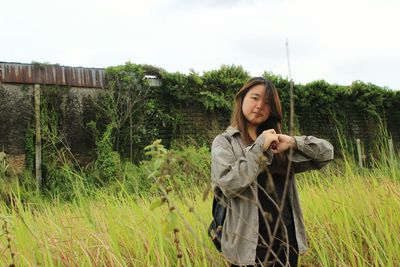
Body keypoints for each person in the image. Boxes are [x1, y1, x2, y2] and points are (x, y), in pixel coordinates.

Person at [211, 77, 334, 266]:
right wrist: (259, 146)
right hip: (249, 250)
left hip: (287, 244)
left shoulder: (278, 144)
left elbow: (326, 154)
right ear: (242, 99)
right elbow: (228, 184)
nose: (260, 106)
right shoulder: (225, 142)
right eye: (254, 98)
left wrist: (293, 142)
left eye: (267, 103)